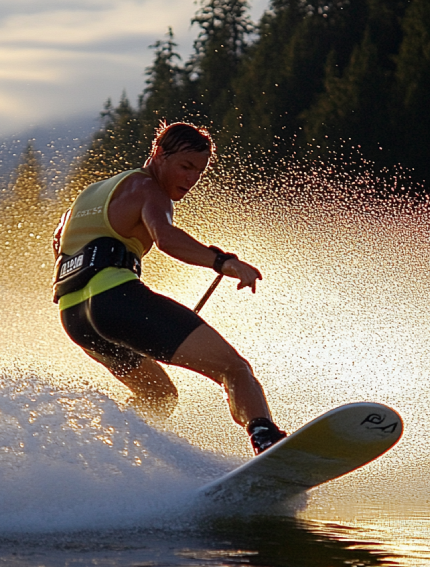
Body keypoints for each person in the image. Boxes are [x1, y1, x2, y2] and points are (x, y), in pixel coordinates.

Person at [52, 122, 286, 454]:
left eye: (200, 171)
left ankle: (108, 456)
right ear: (159, 154)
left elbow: (58, 243)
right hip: (116, 302)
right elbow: (166, 238)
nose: (191, 179)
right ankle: (266, 438)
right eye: (186, 166)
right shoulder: (149, 189)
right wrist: (224, 262)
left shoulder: (89, 196)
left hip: (75, 319)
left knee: (158, 395)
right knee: (234, 368)